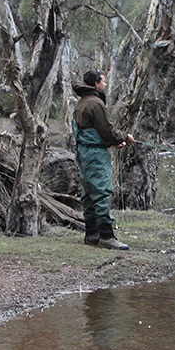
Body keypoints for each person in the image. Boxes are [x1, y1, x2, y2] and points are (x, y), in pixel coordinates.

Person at [72, 70, 135, 249]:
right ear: (96, 84)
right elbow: (107, 129)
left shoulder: (82, 103)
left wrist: (113, 143)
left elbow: (94, 132)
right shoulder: (95, 103)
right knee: (101, 192)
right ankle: (107, 237)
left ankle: (92, 235)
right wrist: (124, 137)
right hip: (95, 156)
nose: (105, 84)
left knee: (88, 192)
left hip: (85, 153)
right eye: (103, 81)